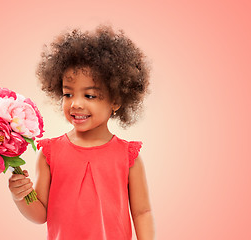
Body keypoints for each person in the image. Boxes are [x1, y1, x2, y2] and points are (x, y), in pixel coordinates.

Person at [8, 25, 155, 240]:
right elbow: (41, 215)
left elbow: (142, 212)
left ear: (115, 100)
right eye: (68, 94)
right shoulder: (50, 153)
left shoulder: (128, 156)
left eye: (90, 96)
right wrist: (20, 196)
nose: (75, 104)